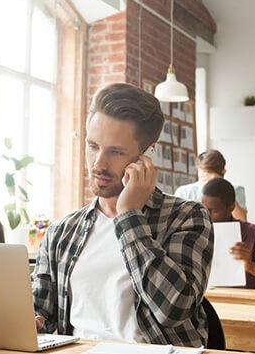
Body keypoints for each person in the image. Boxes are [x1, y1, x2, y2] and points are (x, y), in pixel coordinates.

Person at [32, 83, 213, 347]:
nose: (98, 164)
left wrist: (127, 214)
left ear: (148, 154)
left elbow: (173, 308)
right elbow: (41, 312)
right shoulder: (62, 232)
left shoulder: (187, 217)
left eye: (115, 152)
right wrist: (31, 319)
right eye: (93, 146)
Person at [200, 178, 255, 289]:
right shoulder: (198, 233)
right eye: (203, 209)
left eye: (213, 211)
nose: (206, 215)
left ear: (231, 207)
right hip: (208, 299)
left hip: (244, 301)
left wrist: (250, 266)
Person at [175, 150, 248, 221]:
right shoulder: (184, 192)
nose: (204, 177)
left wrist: (222, 188)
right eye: (202, 173)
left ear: (223, 172)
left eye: (209, 173)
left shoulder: (236, 190)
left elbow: (242, 220)